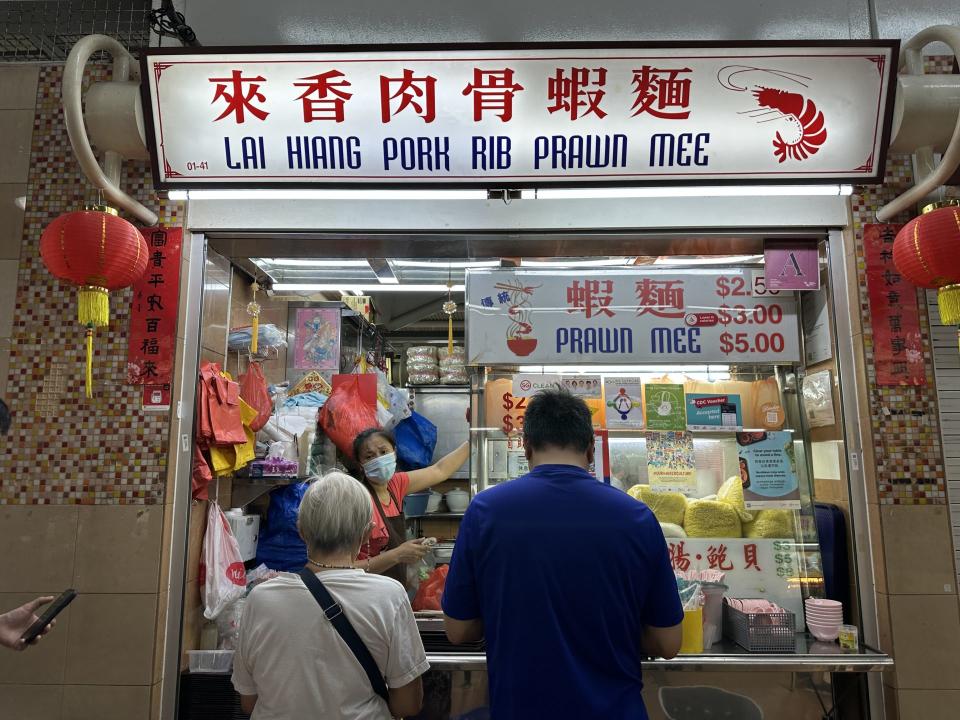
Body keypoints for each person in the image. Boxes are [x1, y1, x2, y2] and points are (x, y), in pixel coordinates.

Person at [442, 389, 683, 719]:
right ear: (591, 449)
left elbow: (458, 630)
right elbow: (667, 644)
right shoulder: (636, 517)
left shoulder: (486, 511)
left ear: (526, 447)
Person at [232, 472, 429, 719]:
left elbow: (249, 701)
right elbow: (408, 704)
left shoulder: (261, 598)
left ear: (301, 530)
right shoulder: (389, 595)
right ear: (367, 534)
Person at [352, 429, 469, 584]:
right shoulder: (356, 498)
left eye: (383, 451)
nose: (378, 459)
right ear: (361, 465)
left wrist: (473, 438)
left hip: (393, 588)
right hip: (365, 589)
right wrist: (397, 554)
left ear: (394, 452)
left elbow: (440, 470)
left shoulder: (395, 484)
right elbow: (344, 568)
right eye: (369, 456)